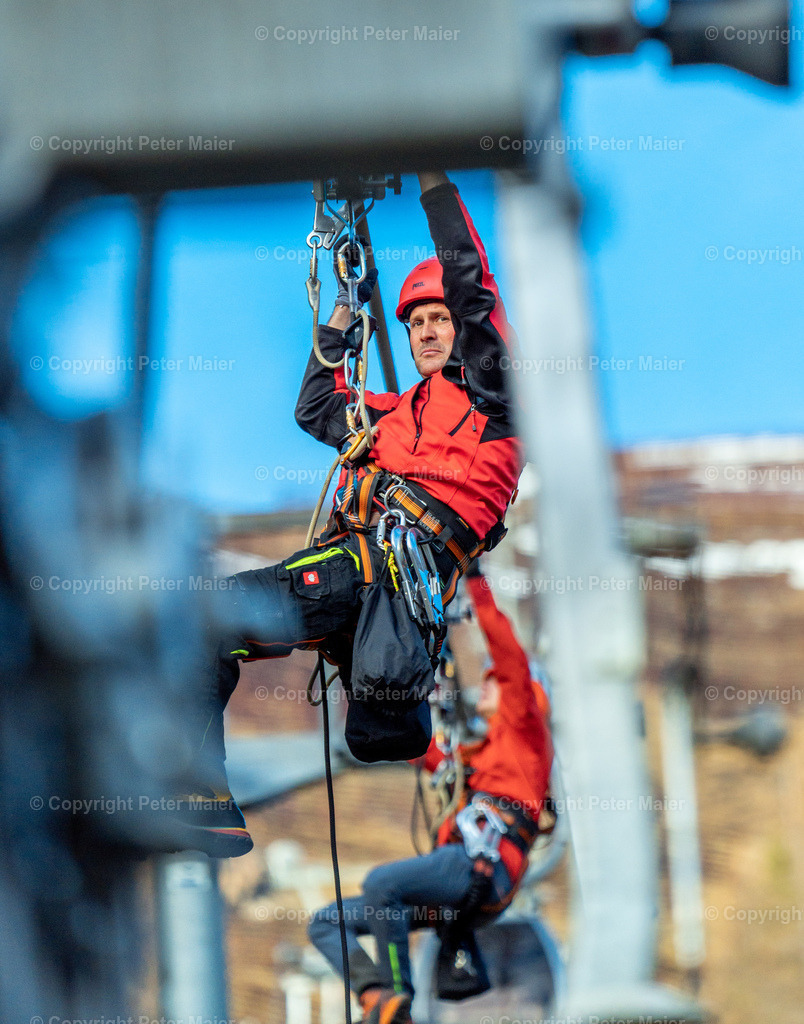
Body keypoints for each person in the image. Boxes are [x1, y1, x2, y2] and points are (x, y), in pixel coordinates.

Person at [182, 172, 523, 858]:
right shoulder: (394, 416)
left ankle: (196, 795)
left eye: (438, 319)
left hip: (382, 574)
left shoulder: (496, 401)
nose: (426, 332)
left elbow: (471, 280)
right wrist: (341, 318)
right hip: (363, 585)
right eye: (416, 322)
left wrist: (434, 183)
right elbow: (316, 409)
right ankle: (203, 802)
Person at [307, 568, 553, 1024]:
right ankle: (374, 996)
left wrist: (475, 582)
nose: (484, 692)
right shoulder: (478, 763)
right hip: (463, 879)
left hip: (482, 870)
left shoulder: (524, 738)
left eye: (492, 685)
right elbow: (430, 757)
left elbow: (508, 655)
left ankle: (399, 996)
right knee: (327, 922)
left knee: (383, 883)